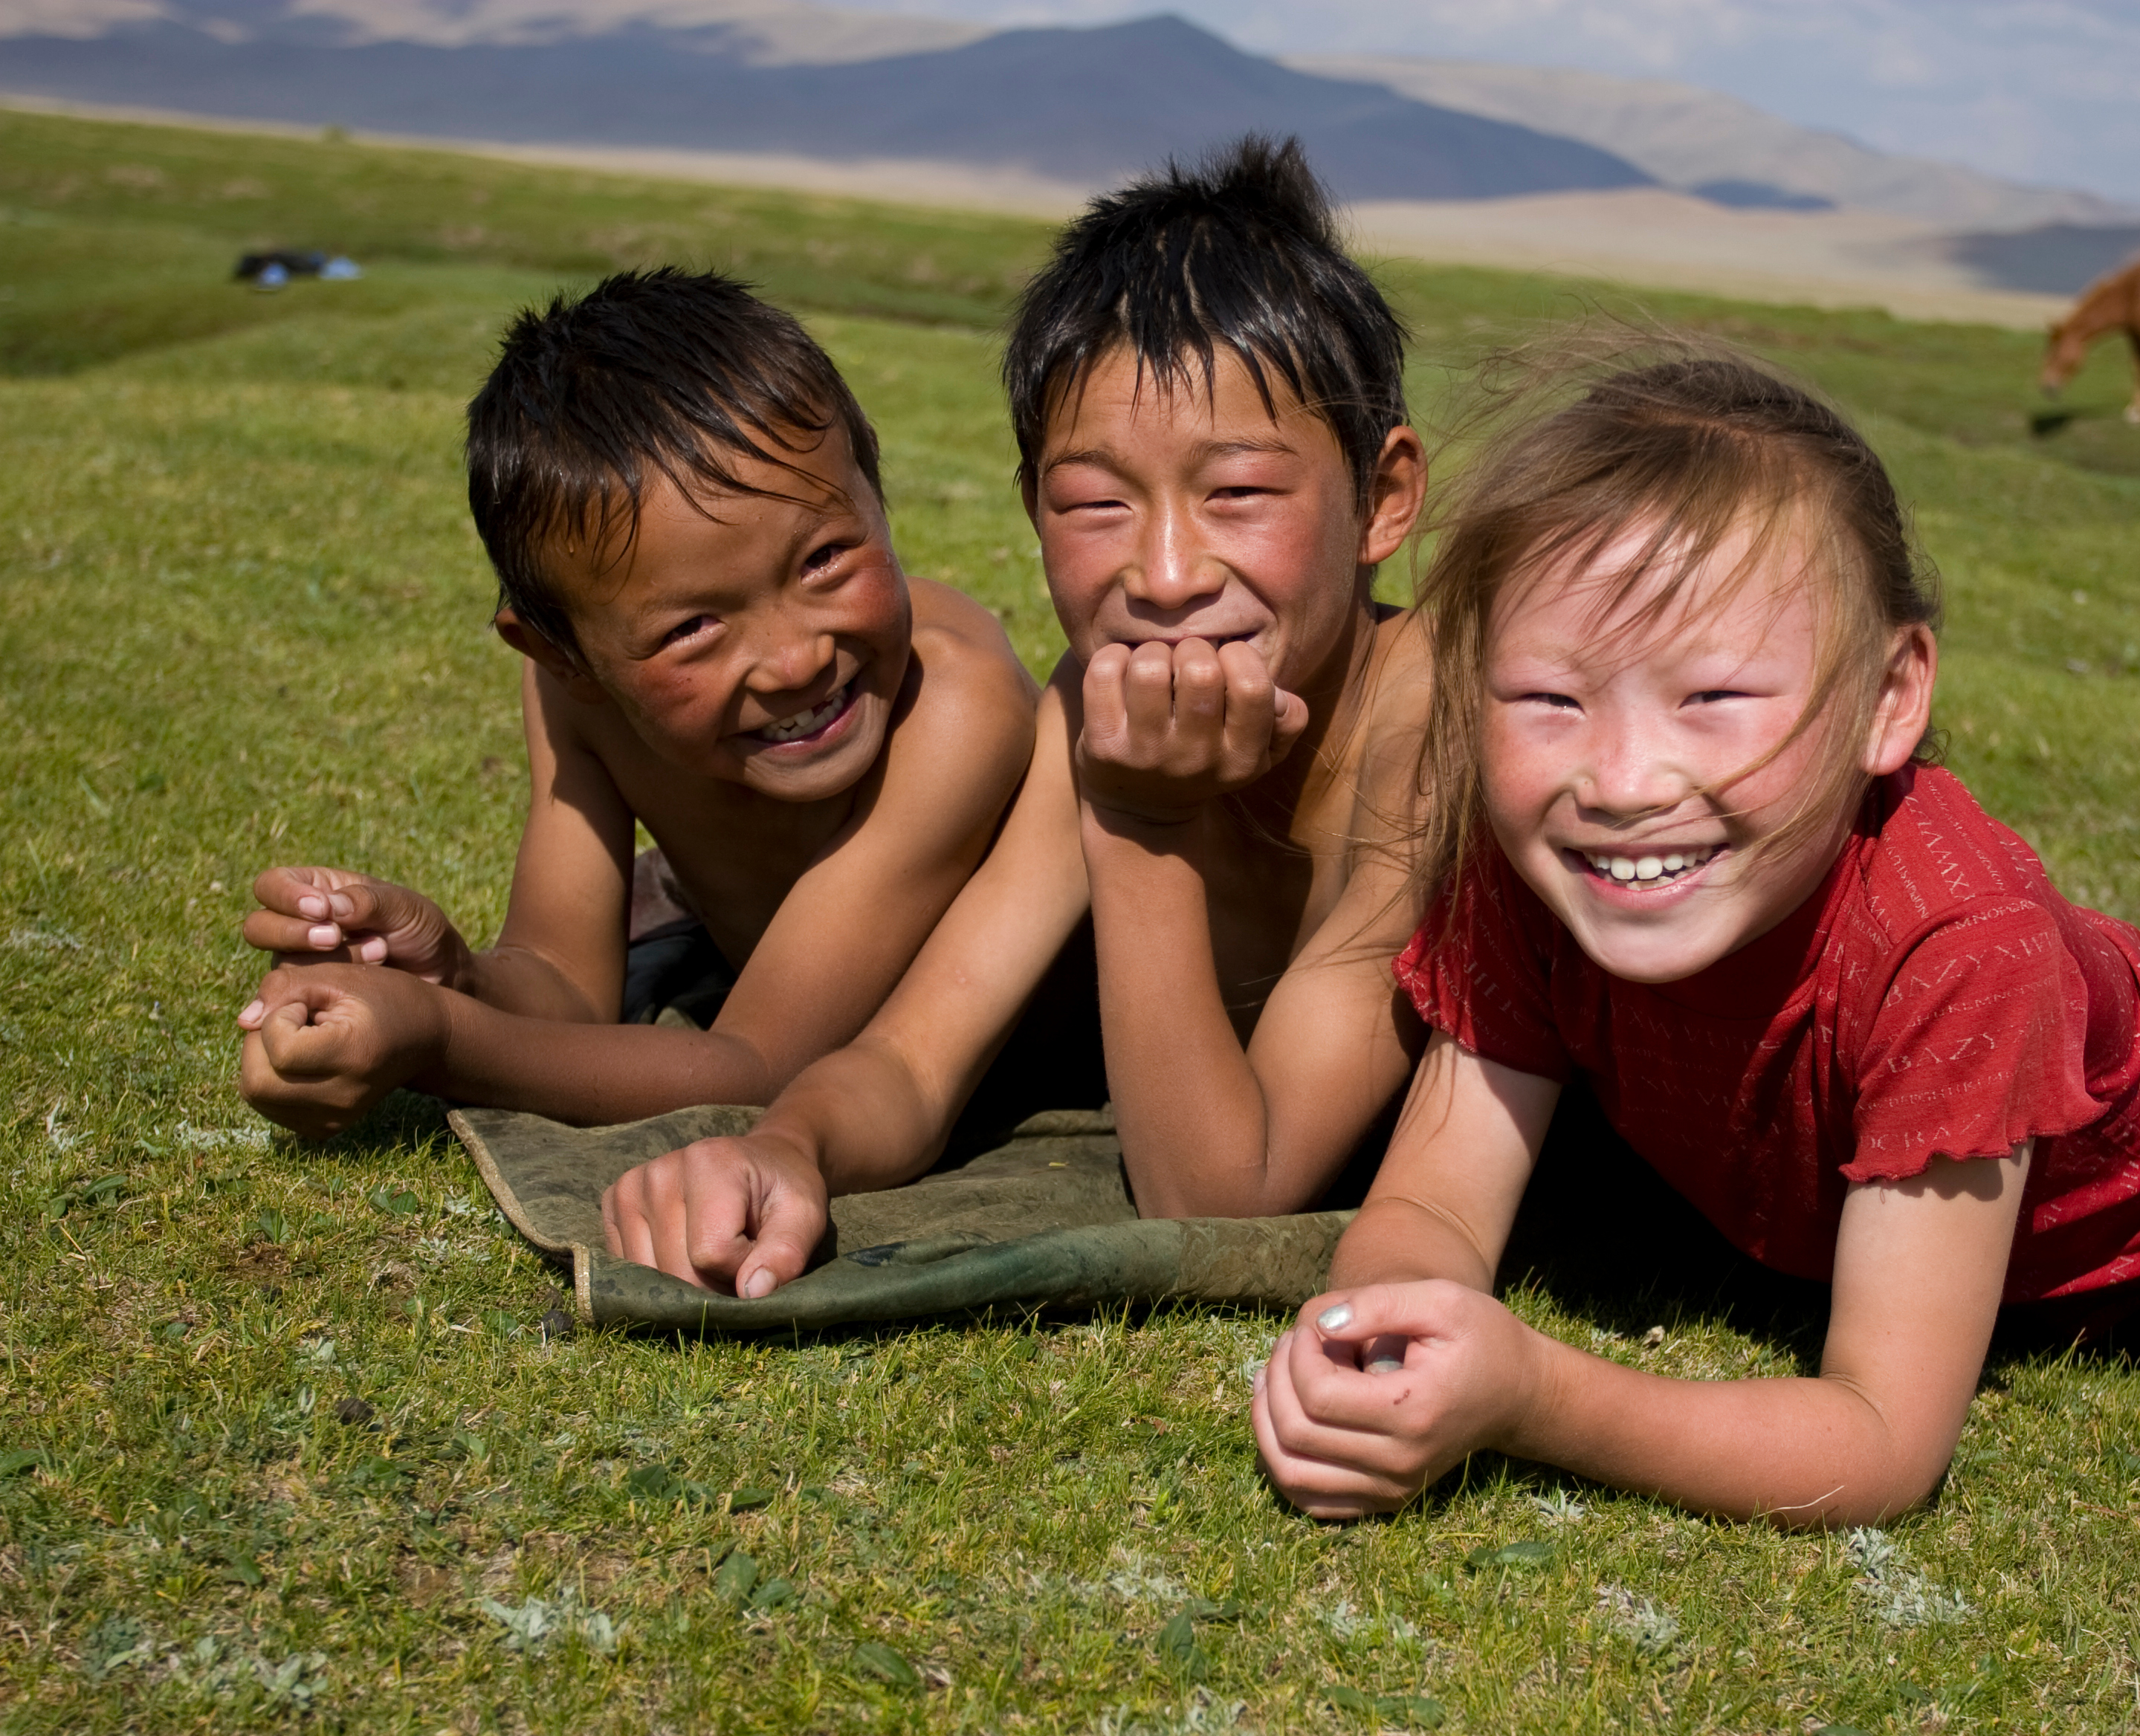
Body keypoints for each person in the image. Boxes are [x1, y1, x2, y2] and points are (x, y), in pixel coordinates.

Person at [1249, 346, 2140, 1576]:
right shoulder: (1528, 865)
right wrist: (1386, 1332)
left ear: (1889, 697)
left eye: (1712, 698)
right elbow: (1433, 1205)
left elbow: (1878, 1440)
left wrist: (1528, 1393)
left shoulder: (1956, 949)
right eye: (1546, 697)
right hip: (2098, 1198)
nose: (1616, 778)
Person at [596, 137, 1437, 1296]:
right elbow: (912, 1056)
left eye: (1238, 493)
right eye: (1095, 504)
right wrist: (787, 1146)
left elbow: (1214, 1197)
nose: (1169, 571)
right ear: (1033, 512)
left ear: (1382, 499)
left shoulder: (1430, 726)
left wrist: (1144, 819)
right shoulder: (1083, 710)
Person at [232, 270, 1038, 1139]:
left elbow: (761, 1066)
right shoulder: (582, 697)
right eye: (693, 627)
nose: (795, 659)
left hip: (1039, 1065)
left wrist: (443, 1041)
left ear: (875, 489)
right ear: (564, 655)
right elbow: (568, 986)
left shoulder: (954, 707)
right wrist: (448, 975)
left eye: (823, 560)